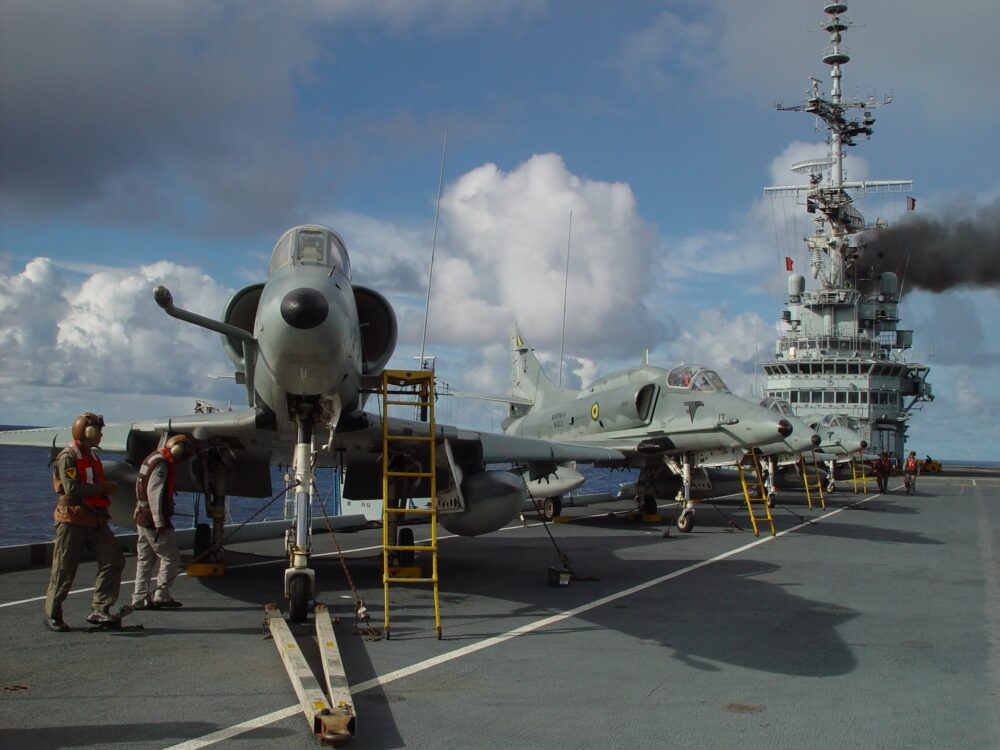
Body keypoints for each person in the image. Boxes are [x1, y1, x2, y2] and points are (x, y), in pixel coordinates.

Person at [44, 412, 125, 632]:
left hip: (94, 518)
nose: (101, 435)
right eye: (97, 431)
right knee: (64, 569)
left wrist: (102, 490)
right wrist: (104, 487)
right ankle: (52, 614)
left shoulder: (92, 457)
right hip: (72, 519)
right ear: (87, 431)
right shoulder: (68, 457)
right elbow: (72, 489)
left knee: (114, 560)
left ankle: (101, 609)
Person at [132, 434, 195, 609]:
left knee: (145, 559)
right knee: (171, 557)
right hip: (152, 519)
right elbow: (155, 494)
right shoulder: (161, 465)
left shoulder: (152, 458)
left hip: (142, 515)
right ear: (178, 450)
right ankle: (162, 595)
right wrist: (159, 523)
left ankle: (139, 598)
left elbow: (140, 488)